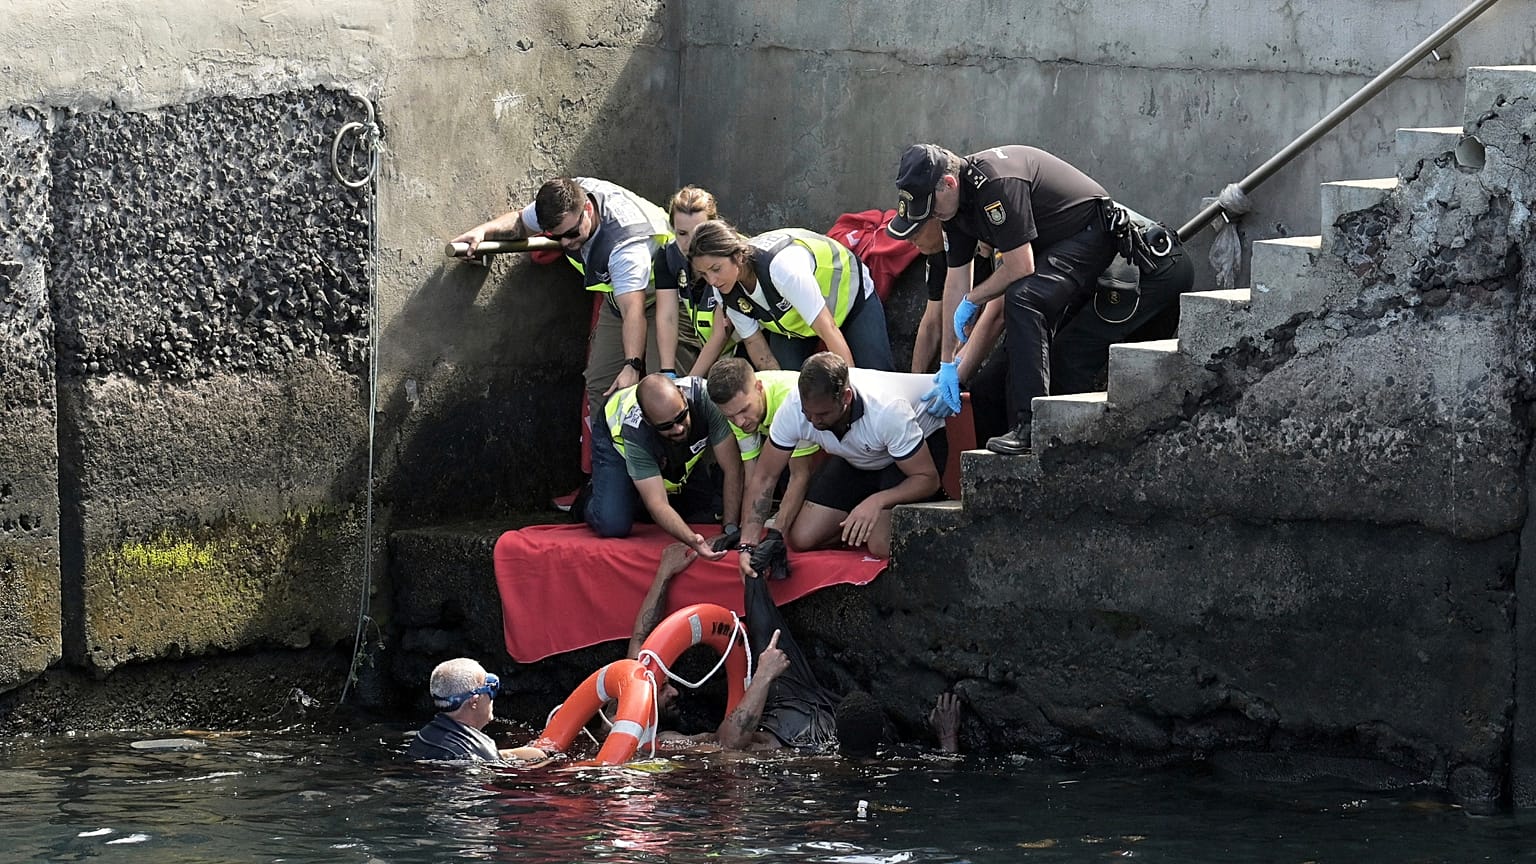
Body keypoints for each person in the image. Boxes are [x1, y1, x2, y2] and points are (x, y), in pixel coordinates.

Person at [887, 144, 1117, 455]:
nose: (933, 217)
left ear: (949, 183)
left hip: (1090, 232)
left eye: (932, 208)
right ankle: (1014, 430)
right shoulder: (954, 209)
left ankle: (1031, 425)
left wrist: (973, 298)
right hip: (1051, 246)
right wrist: (946, 366)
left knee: (1023, 297)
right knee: (993, 378)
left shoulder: (994, 186)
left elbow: (1021, 266)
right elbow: (955, 282)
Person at [451, 177, 674, 420]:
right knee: (602, 386)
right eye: (557, 237)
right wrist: (482, 232)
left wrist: (632, 366)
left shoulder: (625, 248)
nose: (566, 243)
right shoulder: (565, 201)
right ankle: (612, 456)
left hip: (667, 296)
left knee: (659, 388)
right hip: (619, 298)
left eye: (571, 233)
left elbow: (633, 310)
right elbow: (519, 222)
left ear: (587, 209)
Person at [627, 541, 870, 753]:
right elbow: (729, 744)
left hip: (801, 725)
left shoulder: (643, 715)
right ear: (642, 697)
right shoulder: (656, 743)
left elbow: (642, 641)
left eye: (667, 685)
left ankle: (754, 572)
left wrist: (664, 572)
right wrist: (763, 675)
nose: (675, 692)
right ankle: (754, 572)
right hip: (799, 735)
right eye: (663, 689)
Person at [736, 352, 945, 563]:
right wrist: (748, 545)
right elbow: (765, 476)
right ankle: (860, 519)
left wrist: (877, 501)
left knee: (880, 543)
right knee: (801, 539)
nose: (814, 421)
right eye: (807, 413)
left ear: (846, 397)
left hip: (910, 457)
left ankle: (894, 513)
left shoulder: (887, 410)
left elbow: (927, 479)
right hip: (857, 455)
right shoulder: (793, 409)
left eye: (823, 414)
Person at [688, 220, 895, 373]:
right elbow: (756, 346)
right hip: (794, 327)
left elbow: (828, 328)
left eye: (716, 269)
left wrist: (851, 391)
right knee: (793, 384)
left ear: (738, 256)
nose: (712, 281)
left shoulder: (783, 269)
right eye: (704, 274)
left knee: (873, 376)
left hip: (849, 299)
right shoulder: (724, 288)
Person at [585, 373, 743, 555]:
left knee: (704, 510)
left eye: (681, 416)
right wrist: (693, 541)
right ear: (648, 420)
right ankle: (595, 496)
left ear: (683, 396)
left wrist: (729, 529)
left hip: (666, 446)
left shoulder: (707, 399)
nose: (679, 429)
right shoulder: (636, 431)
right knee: (613, 523)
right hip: (614, 441)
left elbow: (732, 469)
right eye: (667, 426)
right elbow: (657, 504)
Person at [705, 358, 821, 539]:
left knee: (800, 534)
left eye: (744, 410)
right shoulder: (736, 410)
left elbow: (800, 475)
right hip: (795, 446)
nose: (740, 422)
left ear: (759, 387)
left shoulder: (791, 402)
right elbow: (753, 475)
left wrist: (775, 535)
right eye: (731, 417)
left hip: (841, 448)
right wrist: (744, 531)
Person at [653, 186, 738, 378]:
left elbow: (721, 333)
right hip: (702, 337)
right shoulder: (668, 256)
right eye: (682, 233)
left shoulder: (729, 257)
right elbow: (667, 316)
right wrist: (668, 371)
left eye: (699, 231)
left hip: (741, 342)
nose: (690, 243)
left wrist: (689, 383)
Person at [408, 658, 546, 762]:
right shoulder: (474, 752)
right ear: (474, 702)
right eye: (492, 688)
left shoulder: (423, 737)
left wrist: (515, 754)